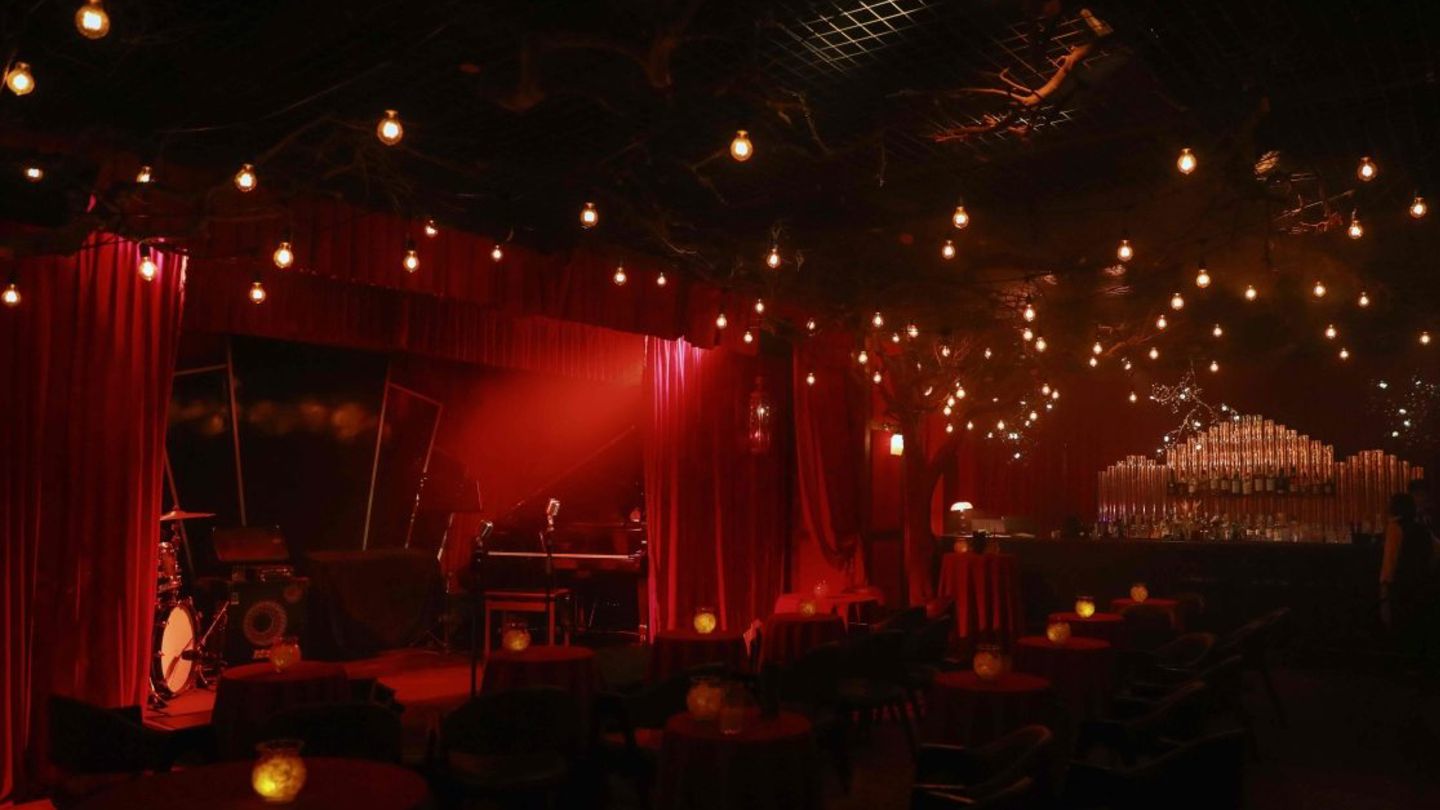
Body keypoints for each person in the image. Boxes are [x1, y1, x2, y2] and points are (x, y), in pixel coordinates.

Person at [1380, 493, 1433, 648]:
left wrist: (1384, 594)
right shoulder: (1422, 529)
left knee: (1399, 632)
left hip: (1400, 587)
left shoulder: (1395, 528)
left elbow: (1389, 564)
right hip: (1422, 586)